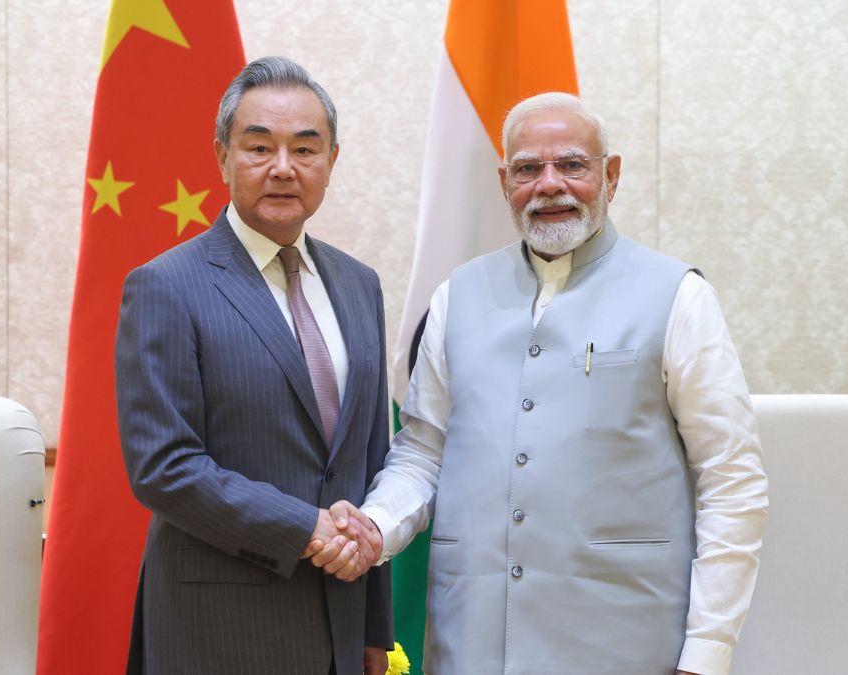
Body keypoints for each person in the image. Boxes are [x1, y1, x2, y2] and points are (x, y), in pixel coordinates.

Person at [352, 93, 769, 675]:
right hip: (471, 641)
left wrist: (709, 650)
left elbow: (732, 479)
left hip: (625, 643)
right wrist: (372, 527)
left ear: (611, 174)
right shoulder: (457, 296)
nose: (550, 185)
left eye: (572, 164)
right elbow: (422, 454)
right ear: (504, 182)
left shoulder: (678, 295)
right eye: (527, 169)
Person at [115, 56, 392, 675]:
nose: (283, 168)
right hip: (218, 632)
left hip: (342, 631)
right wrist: (306, 528)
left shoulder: (359, 284)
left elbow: (370, 460)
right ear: (222, 157)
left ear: (332, 162)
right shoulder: (166, 286)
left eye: (305, 149)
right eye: (259, 147)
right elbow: (163, 467)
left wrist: (375, 629)